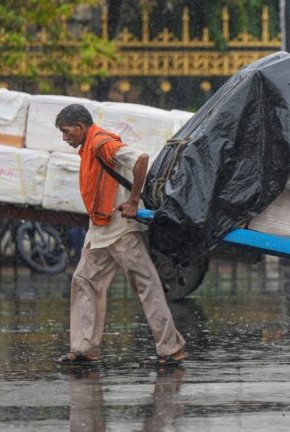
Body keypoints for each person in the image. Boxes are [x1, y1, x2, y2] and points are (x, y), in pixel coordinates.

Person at [53, 104, 186, 366]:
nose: (65, 138)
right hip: (101, 227)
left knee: (145, 287)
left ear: (81, 127)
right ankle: (83, 348)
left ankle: (171, 349)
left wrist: (133, 201)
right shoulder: (89, 147)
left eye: (67, 132)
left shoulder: (102, 142)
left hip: (122, 231)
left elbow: (141, 159)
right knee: (83, 280)